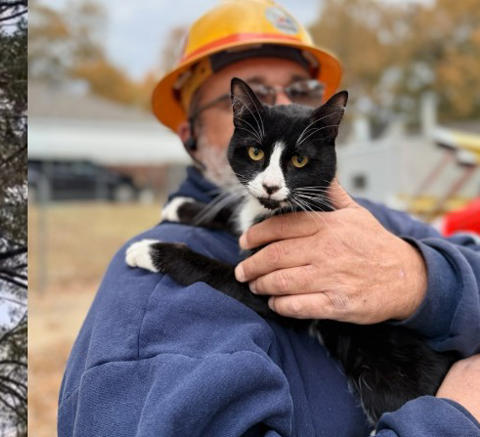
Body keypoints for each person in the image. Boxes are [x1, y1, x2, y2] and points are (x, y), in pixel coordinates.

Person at [57, 1, 480, 435]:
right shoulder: (153, 298)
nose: (282, 108)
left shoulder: (365, 219)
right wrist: (454, 419)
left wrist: (421, 279)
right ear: (190, 134)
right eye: (254, 95)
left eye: (301, 91)